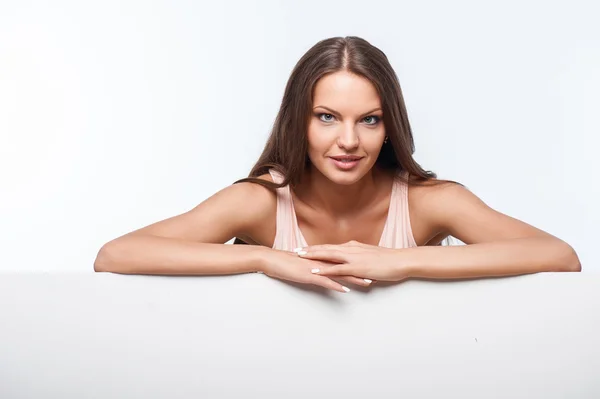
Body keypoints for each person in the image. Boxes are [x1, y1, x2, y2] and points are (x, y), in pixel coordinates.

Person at [94, 36, 581, 292]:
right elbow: (115, 255)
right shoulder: (261, 201)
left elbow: (560, 256)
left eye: (369, 120)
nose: (348, 141)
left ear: (389, 126)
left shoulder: (429, 202)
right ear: (298, 122)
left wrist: (399, 262)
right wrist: (264, 258)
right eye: (326, 117)